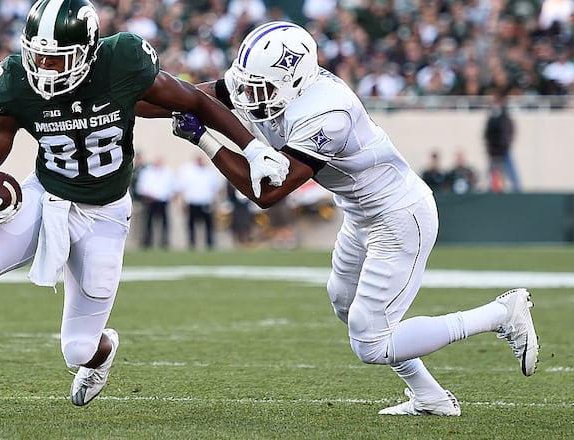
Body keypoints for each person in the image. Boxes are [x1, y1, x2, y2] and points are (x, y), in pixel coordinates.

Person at [0, 0, 290, 410]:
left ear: (89, 51)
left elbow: (194, 101)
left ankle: (103, 352)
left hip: (105, 214)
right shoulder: (17, 81)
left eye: (57, 57)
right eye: (38, 55)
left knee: (78, 349)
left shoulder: (122, 60)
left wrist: (253, 148)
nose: (45, 66)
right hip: (45, 197)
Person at [165, 21, 539, 416]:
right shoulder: (272, 84)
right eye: (248, 86)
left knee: (370, 342)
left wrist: (203, 138)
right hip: (360, 214)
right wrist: (132, 96)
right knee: (345, 304)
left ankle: (501, 314)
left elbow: (268, 193)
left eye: (263, 89)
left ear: (294, 80)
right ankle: (430, 397)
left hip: (398, 215)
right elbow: (188, 95)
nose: (250, 97)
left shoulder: (328, 113)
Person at [176, 155, 223, 250]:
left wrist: (216, 203)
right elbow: (182, 188)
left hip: (206, 202)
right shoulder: (188, 171)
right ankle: (192, 244)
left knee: (208, 225)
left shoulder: (210, 172)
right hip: (192, 202)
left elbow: (216, 189)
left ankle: (209, 244)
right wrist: (181, 203)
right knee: (191, 225)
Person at [135, 156, 176, 249]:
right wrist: (149, 195)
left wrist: (170, 196)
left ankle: (164, 242)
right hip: (150, 201)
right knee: (148, 223)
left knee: (165, 223)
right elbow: (141, 187)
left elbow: (173, 187)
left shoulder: (168, 172)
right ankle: (147, 242)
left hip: (163, 201)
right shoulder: (147, 172)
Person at [484, 89, 520, 192]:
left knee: (512, 175)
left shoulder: (504, 117)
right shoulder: (491, 118)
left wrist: (505, 145)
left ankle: (518, 192)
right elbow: (487, 134)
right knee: (490, 174)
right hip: (494, 152)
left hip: (504, 151)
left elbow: (509, 132)